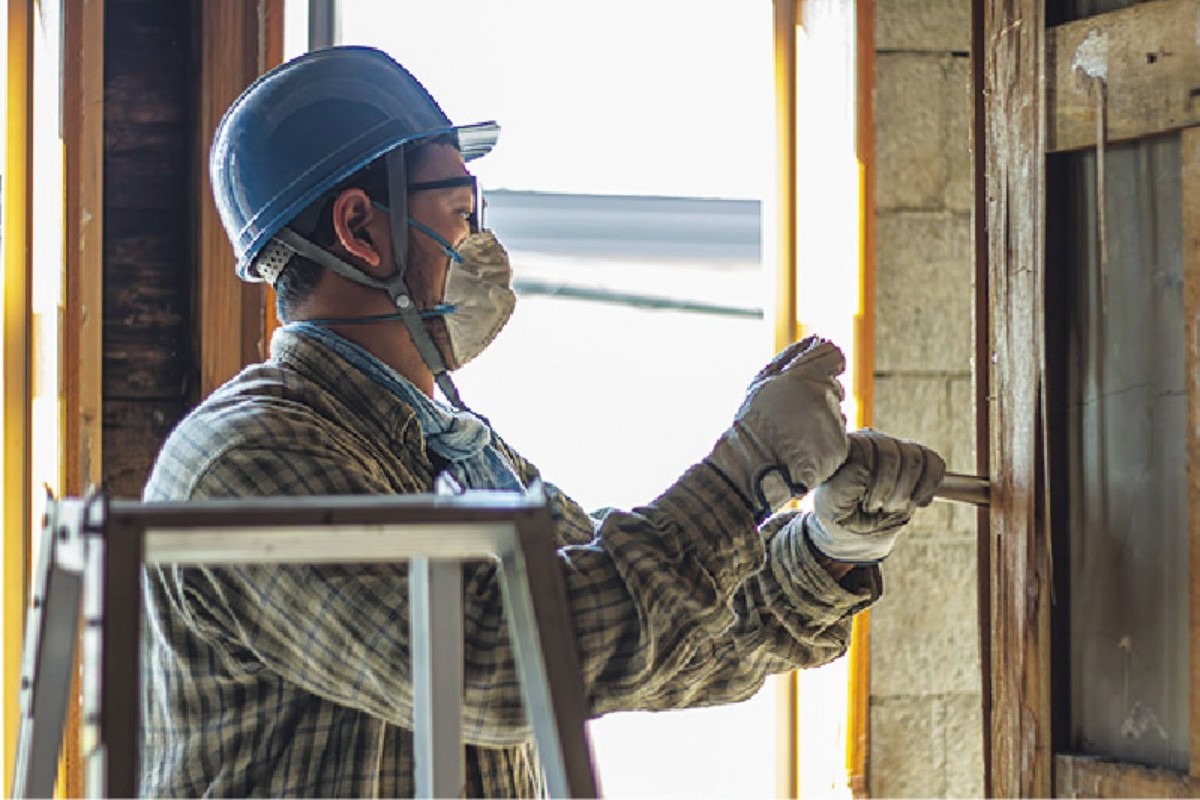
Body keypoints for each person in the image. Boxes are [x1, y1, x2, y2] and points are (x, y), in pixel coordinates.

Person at [141, 45, 945, 798]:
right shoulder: (249, 461)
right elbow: (492, 668)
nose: (482, 246)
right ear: (360, 229)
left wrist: (829, 550)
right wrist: (746, 477)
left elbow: (646, 634)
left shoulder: (451, 454)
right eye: (459, 211)